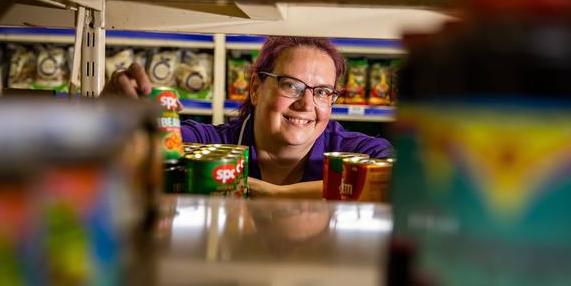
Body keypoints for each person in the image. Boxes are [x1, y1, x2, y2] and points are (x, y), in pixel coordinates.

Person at [102, 36, 393, 198]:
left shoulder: (354, 150)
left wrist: (274, 194)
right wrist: (110, 115)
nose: (307, 104)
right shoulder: (212, 143)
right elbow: (124, 150)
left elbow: (395, 180)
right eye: (291, 85)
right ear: (255, 88)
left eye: (322, 92)